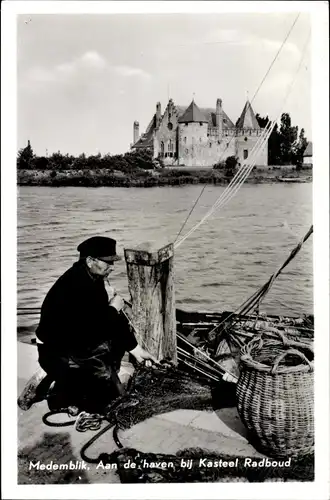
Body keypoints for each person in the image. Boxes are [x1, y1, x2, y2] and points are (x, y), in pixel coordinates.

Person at [36, 236, 157, 414]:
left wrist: (136, 350)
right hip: (55, 350)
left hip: (76, 340)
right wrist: (113, 308)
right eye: (107, 262)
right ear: (91, 260)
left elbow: (103, 323)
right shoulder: (76, 284)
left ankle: (77, 382)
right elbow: (93, 328)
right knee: (102, 404)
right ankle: (57, 384)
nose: (112, 267)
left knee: (113, 344)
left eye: (113, 262)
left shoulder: (93, 276)